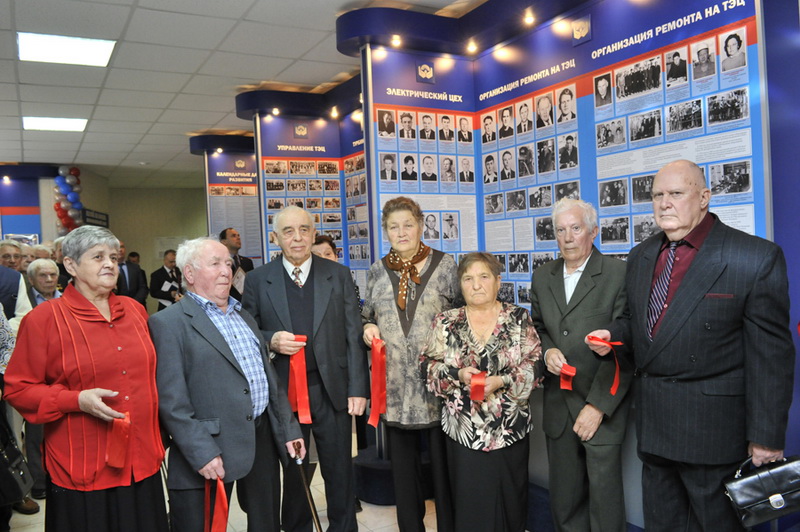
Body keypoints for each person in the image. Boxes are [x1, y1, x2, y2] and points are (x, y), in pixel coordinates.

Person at [586, 160, 795, 531]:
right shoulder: (641, 255)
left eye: (676, 193)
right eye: (657, 195)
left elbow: (771, 358)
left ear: (704, 197)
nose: (664, 203)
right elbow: (638, 322)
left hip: (713, 436)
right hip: (655, 430)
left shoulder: (753, 257)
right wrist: (613, 336)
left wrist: (766, 438)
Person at [4, 225, 168, 532]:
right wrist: (75, 400)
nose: (109, 264)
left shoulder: (135, 311)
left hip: (142, 461)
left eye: (113, 257)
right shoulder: (44, 319)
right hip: (83, 467)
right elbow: (18, 390)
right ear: (71, 265)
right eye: (98, 257)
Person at [151, 237, 305, 532]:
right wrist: (201, 452)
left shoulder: (243, 315)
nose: (227, 270)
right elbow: (171, 402)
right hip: (210, 446)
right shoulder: (168, 323)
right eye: (215, 264)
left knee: (266, 524)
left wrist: (289, 430)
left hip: (261, 440)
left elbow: (269, 381)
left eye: (228, 263)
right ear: (190, 273)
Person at [242, 206, 368, 532]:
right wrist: (270, 340)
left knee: (339, 471)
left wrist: (358, 388)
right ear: (275, 238)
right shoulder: (258, 280)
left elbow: (353, 334)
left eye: (303, 229)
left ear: (313, 234)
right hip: (285, 395)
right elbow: (246, 331)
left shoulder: (338, 274)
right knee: (295, 470)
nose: (297, 237)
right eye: (288, 231)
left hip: (332, 391)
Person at [420, 252, 542, 532]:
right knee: (469, 506)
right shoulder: (446, 322)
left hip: (509, 430)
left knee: (510, 504)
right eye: (468, 279)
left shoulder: (518, 319)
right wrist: (457, 375)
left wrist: (503, 380)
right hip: (463, 433)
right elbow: (426, 367)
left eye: (484, 277)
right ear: (460, 285)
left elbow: (535, 366)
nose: (476, 285)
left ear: (498, 282)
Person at [530, 199, 630, 532]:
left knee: (605, 503)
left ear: (593, 231)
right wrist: (547, 352)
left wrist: (598, 407)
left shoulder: (618, 274)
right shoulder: (542, 276)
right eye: (560, 230)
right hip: (559, 406)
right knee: (565, 503)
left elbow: (627, 345)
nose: (568, 237)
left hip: (600, 407)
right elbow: (538, 327)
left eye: (576, 228)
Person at [362, 197, 457, 532]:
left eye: (408, 224)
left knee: (444, 473)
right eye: (393, 227)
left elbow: (463, 316)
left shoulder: (446, 266)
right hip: (395, 388)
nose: (401, 232)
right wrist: (367, 327)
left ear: (420, 225)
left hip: (438, 388)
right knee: (404, 475)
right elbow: (366, 315)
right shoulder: (376, 270)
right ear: (385, 231)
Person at [220, 227, 253, 301]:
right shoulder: (221, 263)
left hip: (246, 303)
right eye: (233, 236)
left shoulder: (247, 262)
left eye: (238, 235)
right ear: (224, 242)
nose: (238, 238)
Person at [116, 240, 148, 305]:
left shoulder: (135, 267)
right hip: (116, 305)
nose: (120, 250)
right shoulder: (108, 268)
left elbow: (143, 287)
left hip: (135, 304)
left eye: (122, 247)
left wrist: (133, 302)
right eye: (116, 247)